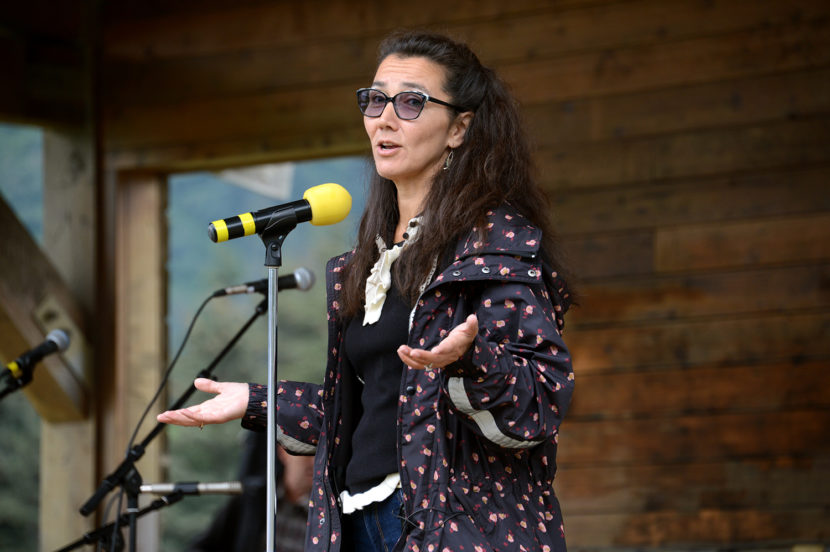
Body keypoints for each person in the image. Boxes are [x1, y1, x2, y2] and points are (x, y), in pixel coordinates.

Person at [159, 30, 575, 552]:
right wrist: (256, 400)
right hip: (358, 521)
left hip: (456, 528)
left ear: (459, 129)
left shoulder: (494, 246)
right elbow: (373, 416)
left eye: (411, 102)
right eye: (375, 99)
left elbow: (542, 400)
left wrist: (473, 362)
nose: (384, 117)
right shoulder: (370, 262)